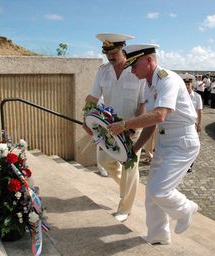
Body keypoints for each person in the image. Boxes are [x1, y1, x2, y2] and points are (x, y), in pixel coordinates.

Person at [108, 44, 200, 245]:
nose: (131, 71)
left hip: (182, 142)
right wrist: (134, 149)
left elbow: (160, 114)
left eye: (134, 65)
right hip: (166, 142)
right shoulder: (149, 85)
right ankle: (158, 235)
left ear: (149, 61)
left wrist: (125, 125)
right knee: (151, 192)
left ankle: (186, 208)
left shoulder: (168, 80)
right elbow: (151, 123)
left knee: (160, 190)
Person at [83, 33, 146, 222]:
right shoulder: (103, 71)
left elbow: (143, 102)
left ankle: (125, 208)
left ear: (123, 50)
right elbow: (92, 98)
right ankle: (128, 187)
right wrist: (86, 118)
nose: (110, 57)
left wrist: (133, 127)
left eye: (114, 52)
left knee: (129, 166)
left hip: (132, 127)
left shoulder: (136, 71)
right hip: (110, 127)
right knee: (105, 161)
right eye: (107, 53)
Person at [182, 73, 203, 173]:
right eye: (185, 85)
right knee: (183, 145)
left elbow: (199, 111)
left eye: (188, 85)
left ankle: (190, 165)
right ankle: (183, 164)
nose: (186, 86)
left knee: (192, 145)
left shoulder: (197, 97)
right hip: (182, 124)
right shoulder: (180, 96)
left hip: (193, 124)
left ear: (192, 85)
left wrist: (199, 124)